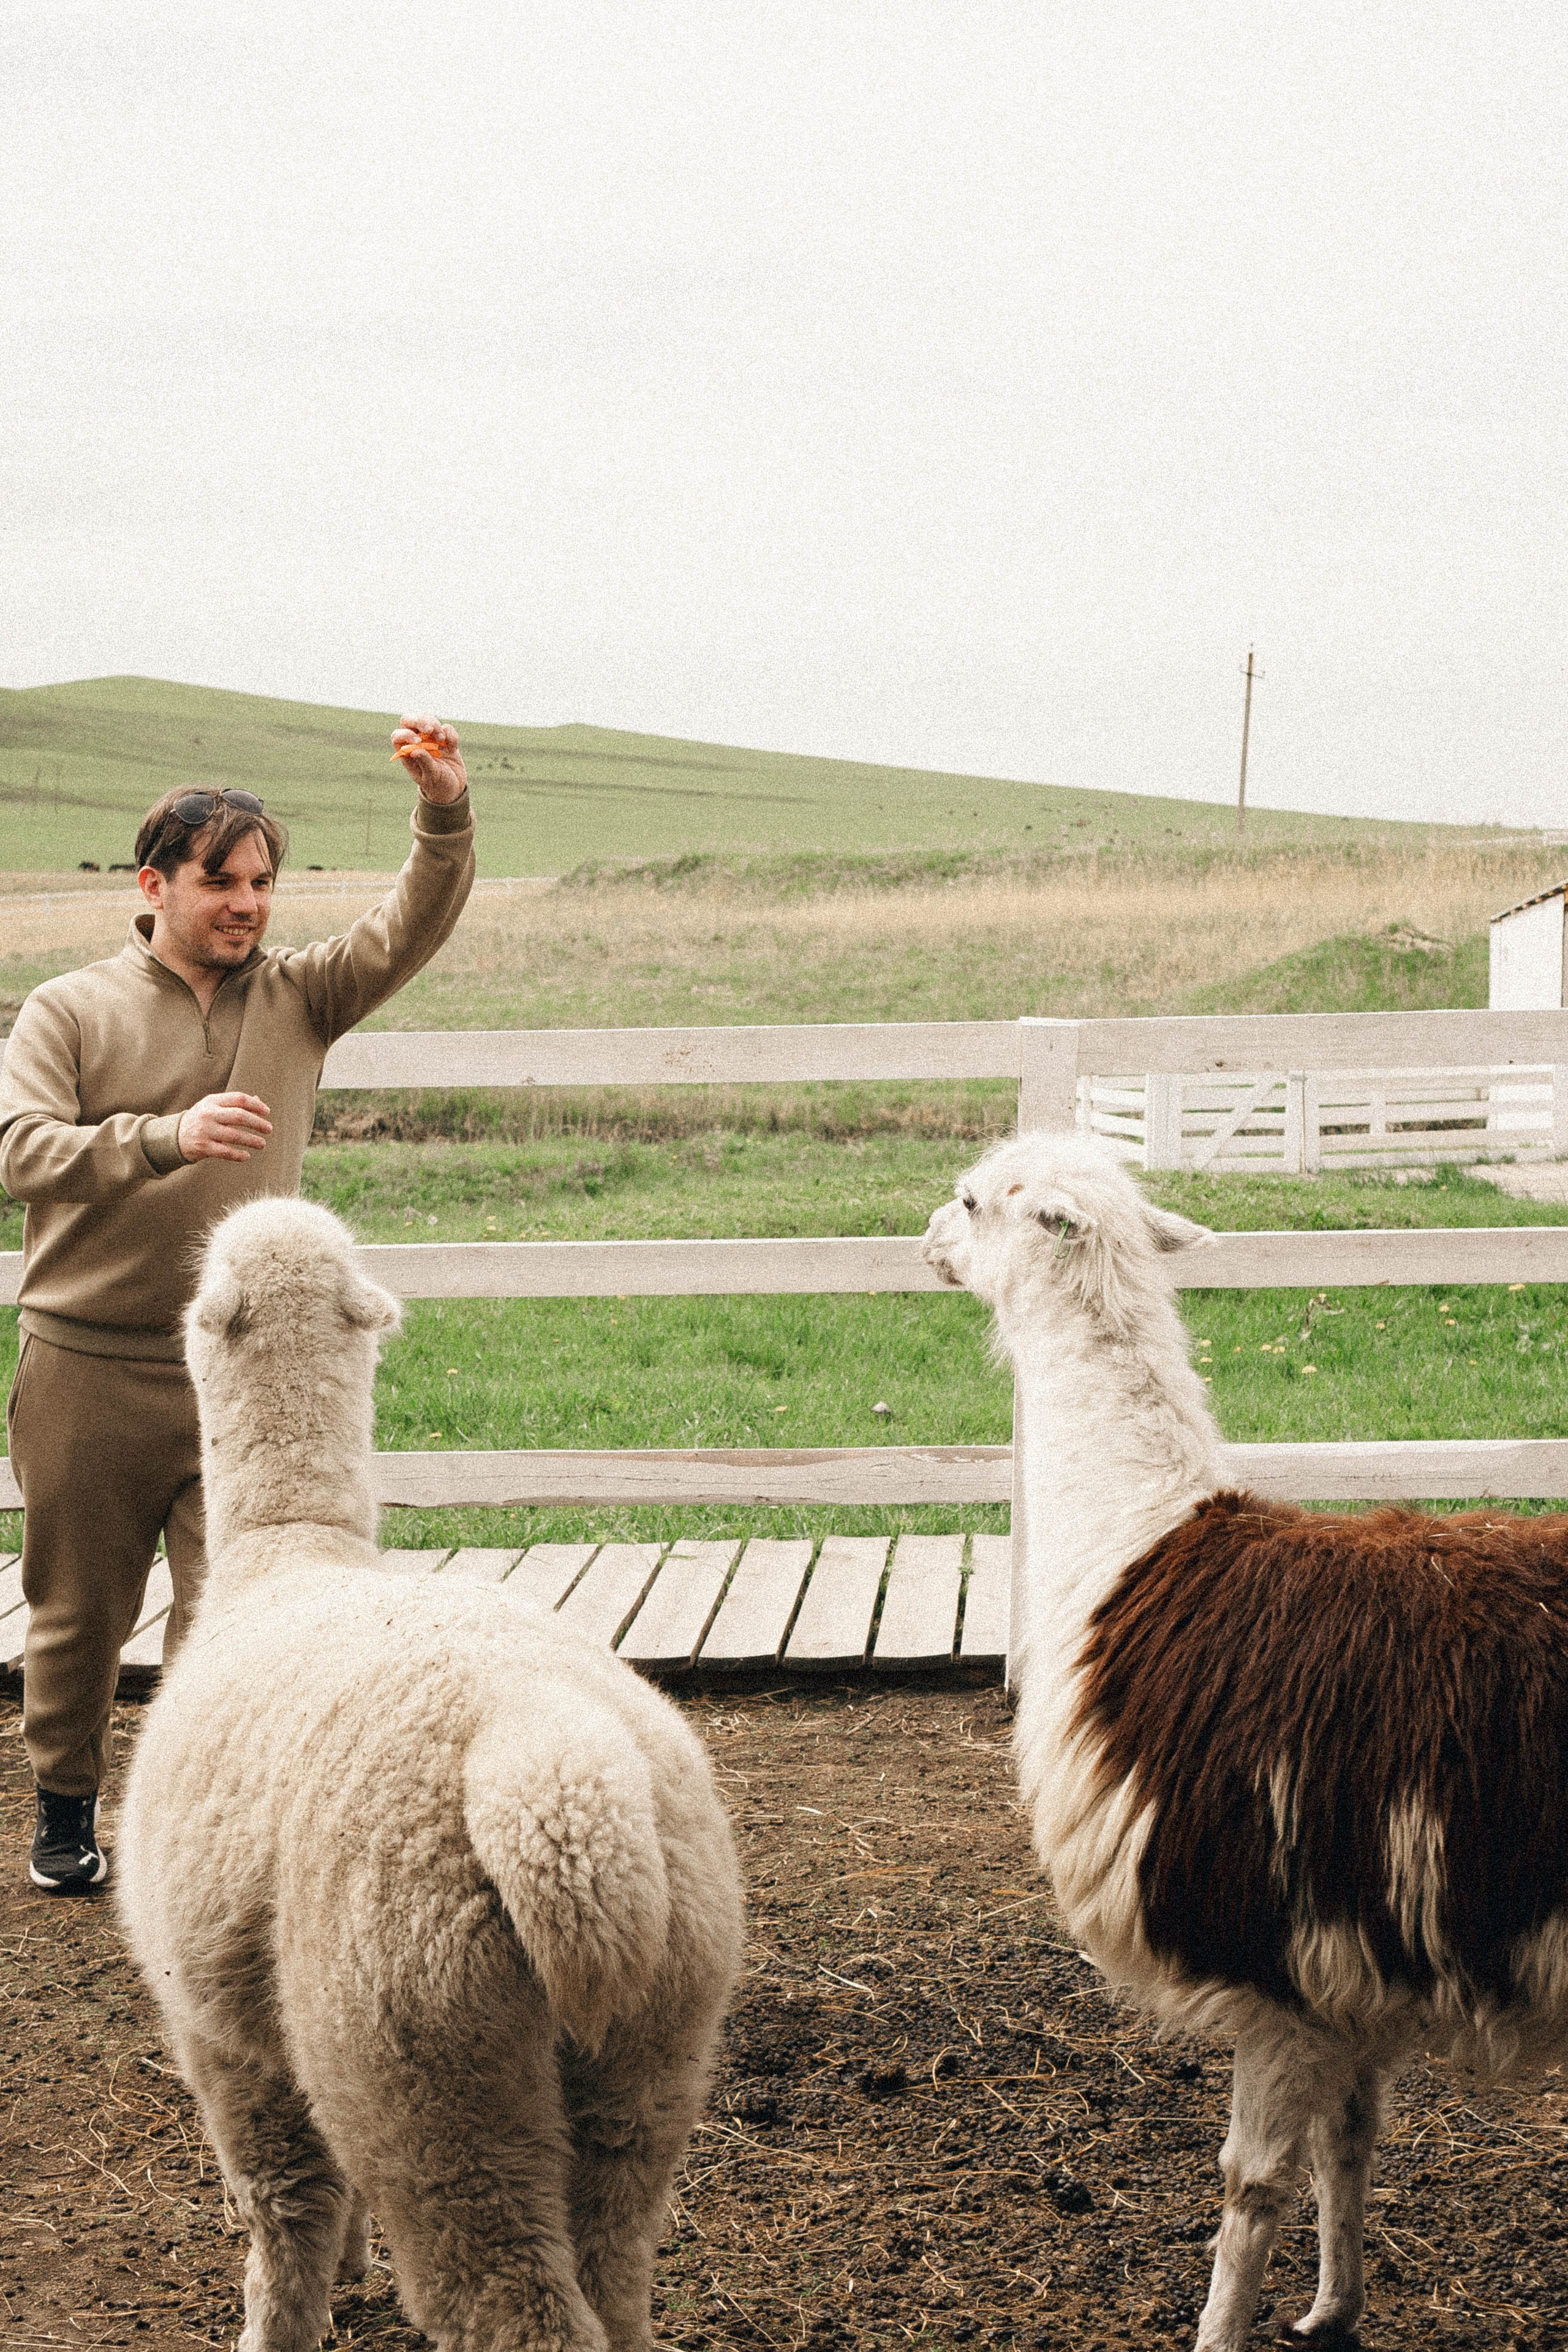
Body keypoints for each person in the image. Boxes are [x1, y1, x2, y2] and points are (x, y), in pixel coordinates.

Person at [0, 716, 475, 1891]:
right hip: (88, 1362)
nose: (249, 903)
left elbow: (410, 921)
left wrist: (445, 814)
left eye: (265, 882)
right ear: (155, 882)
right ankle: (67, 1815)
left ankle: (225, 1826)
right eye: (223, 880)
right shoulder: (69, 1008)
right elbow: (17, 1148)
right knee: (76, 1615)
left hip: (256, 1376)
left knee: (242, 1617)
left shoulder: (305, 999)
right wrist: (166, 1139)